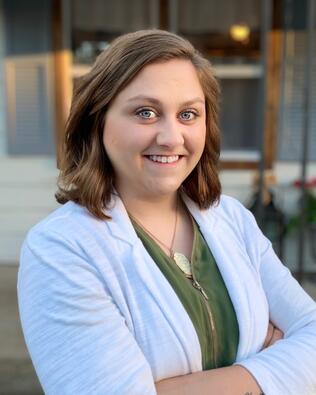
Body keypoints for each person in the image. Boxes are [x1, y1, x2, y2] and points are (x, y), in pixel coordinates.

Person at [17, 29, 316, 395]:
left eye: (188, 114)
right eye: (145, 112)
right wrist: (275, 368)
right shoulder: (61, 250)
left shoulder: (231, 219)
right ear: (98, 120)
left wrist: (173, 387)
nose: (172, 137)